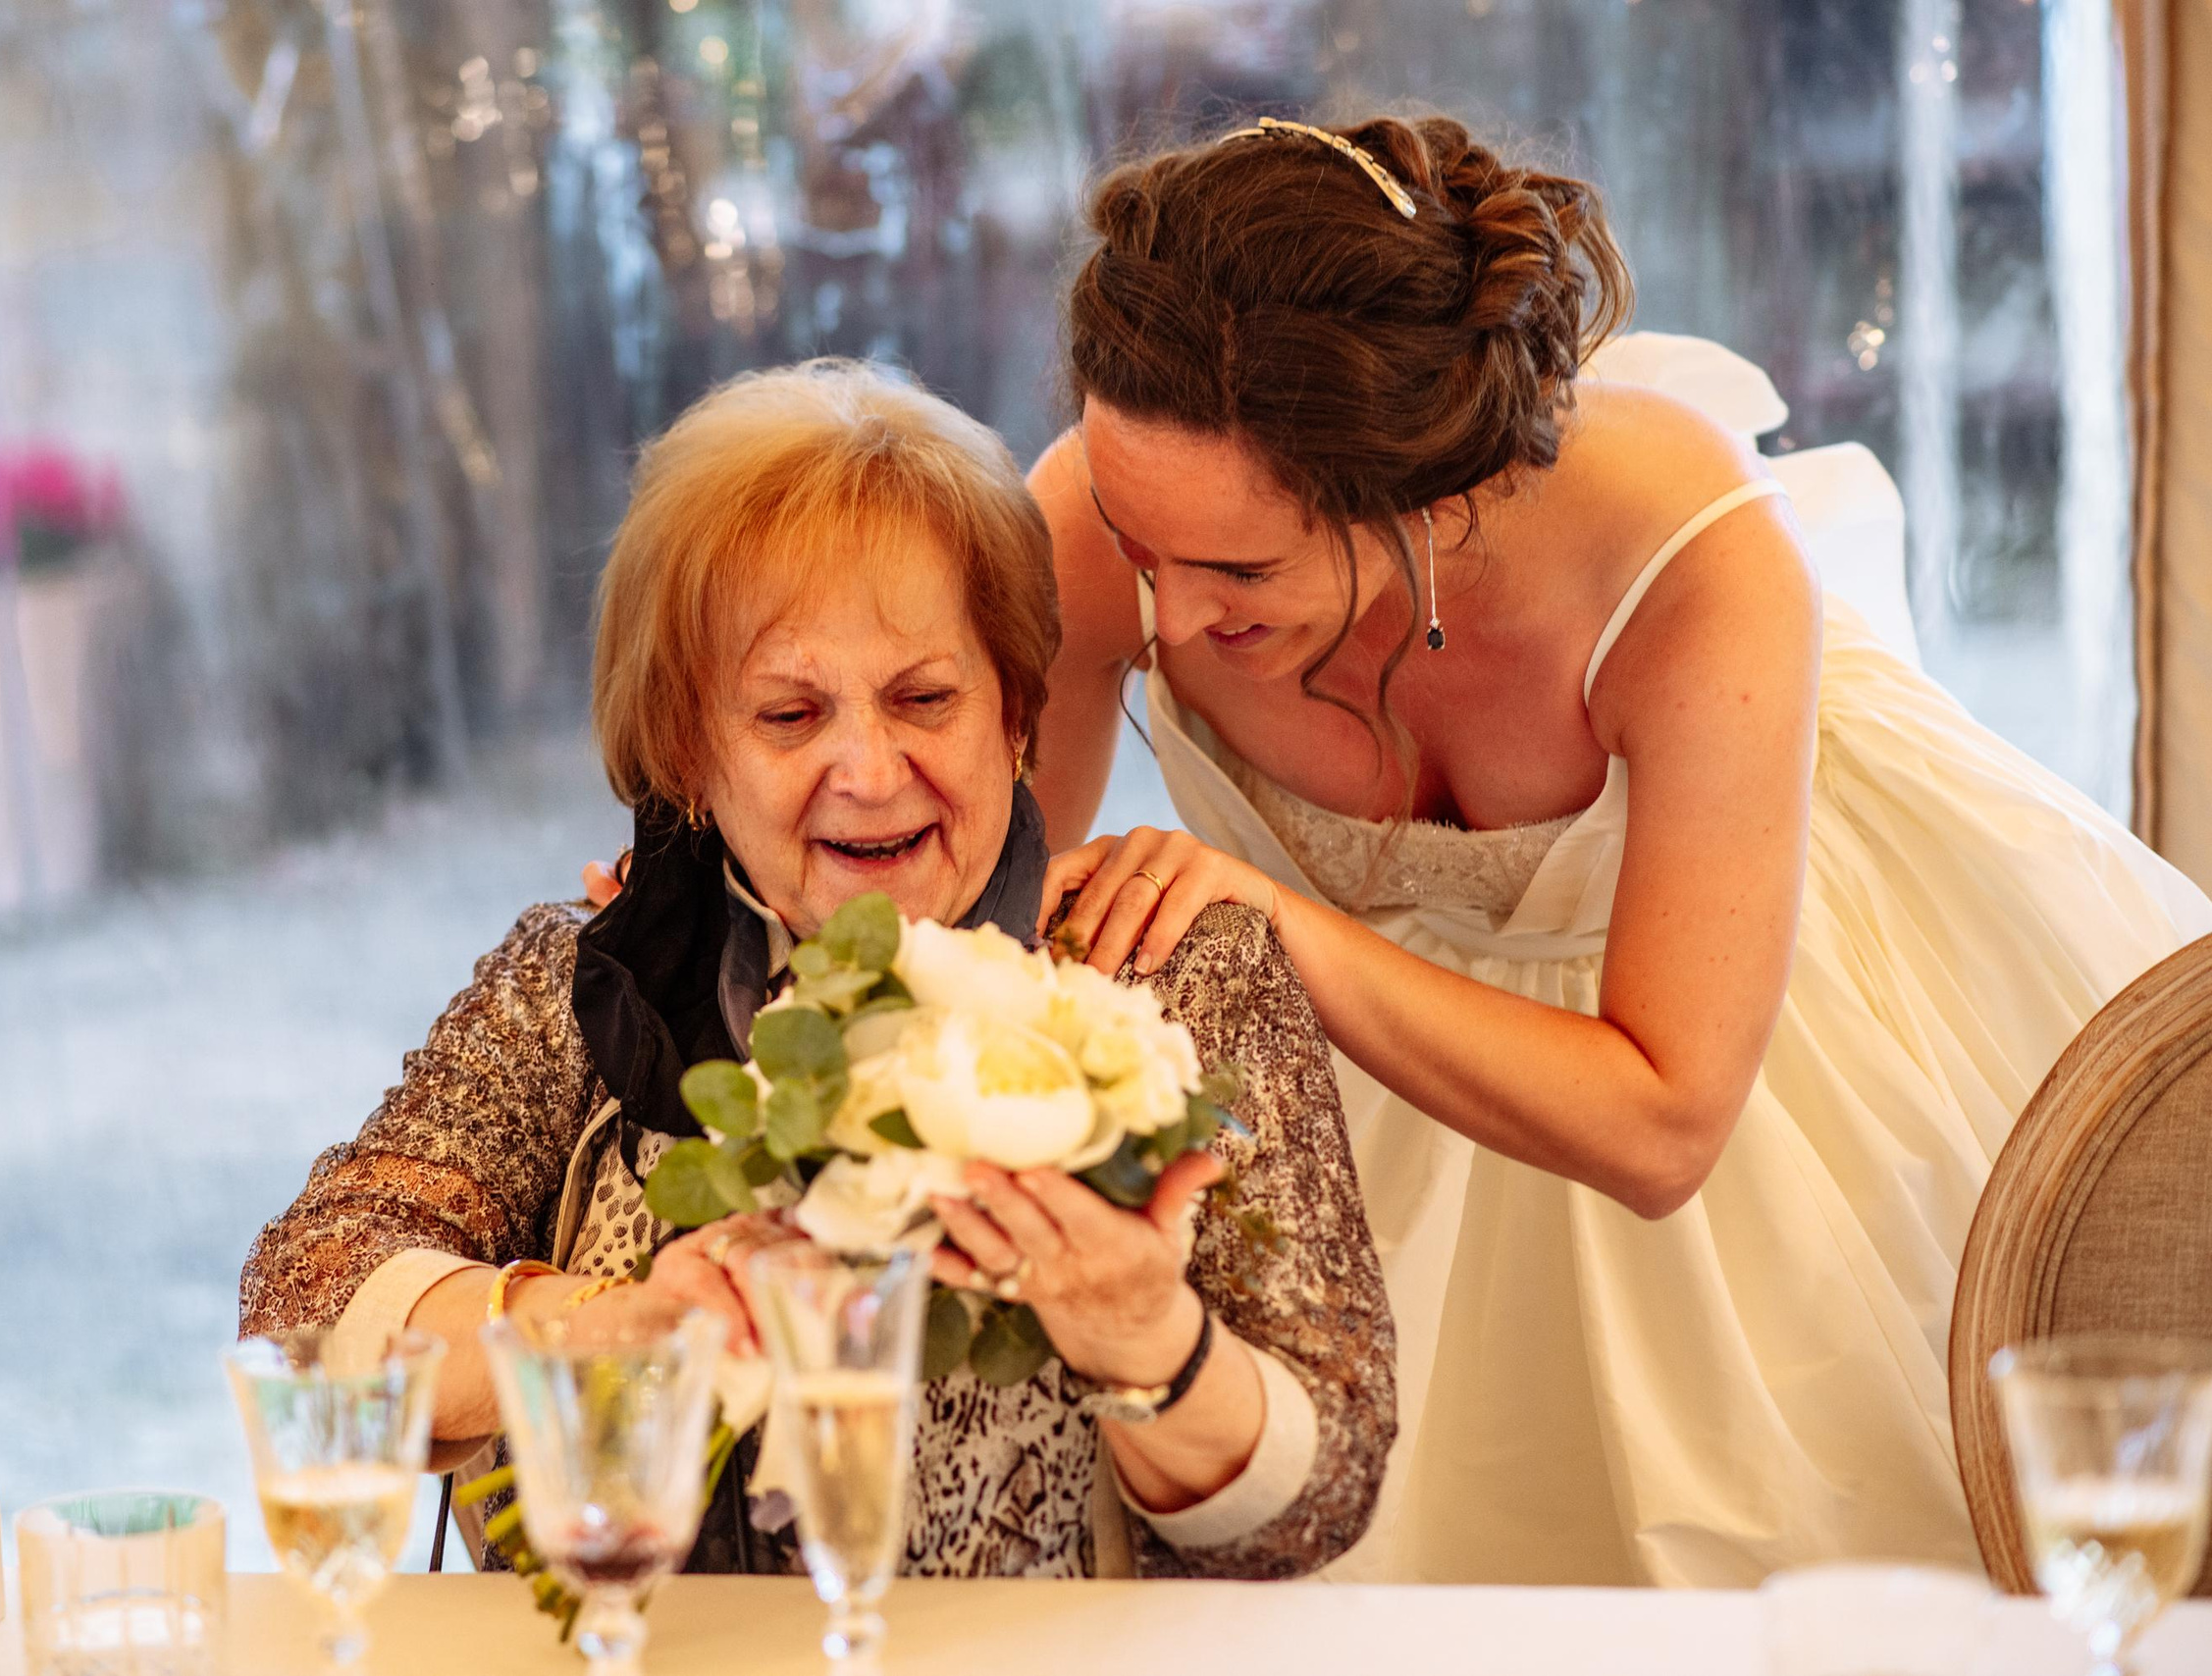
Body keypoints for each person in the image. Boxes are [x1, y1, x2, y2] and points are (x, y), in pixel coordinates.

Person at [1025, 114, 2212, 1587]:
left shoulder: (1685, 554)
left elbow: (1665, 1127)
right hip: (1343, 1117)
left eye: (1240, 573)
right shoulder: (1108, 513)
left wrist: (1274, 921)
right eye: (1145, 554)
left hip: (1743, 1055)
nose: (1172, 621)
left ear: (1438, 505)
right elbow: (977, 912)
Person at [240, 359, 1395, 1580]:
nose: (868, 768)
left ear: (1016, 714)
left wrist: (1148, 1341)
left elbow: (1323, 1495)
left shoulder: (1162, 975)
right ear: (688, 750)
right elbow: (305, 1306)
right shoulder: (583, 982)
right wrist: (591, 1329)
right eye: (789, 717)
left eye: (924, 697)